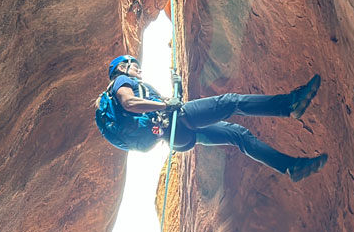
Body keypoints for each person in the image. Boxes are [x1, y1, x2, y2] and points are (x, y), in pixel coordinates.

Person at [102, 55, 328, 181]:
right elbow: (129, 103)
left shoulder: (140, 87)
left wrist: (176, 89)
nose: (139, 71)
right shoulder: (122, 82)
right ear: (122, 67)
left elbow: (169, 106)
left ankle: (291, 167)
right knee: (231, 102)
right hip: (175, 123)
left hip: (176, 137)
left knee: (238, 135)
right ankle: (290, 104)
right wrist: (166, 103)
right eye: (135, 66)